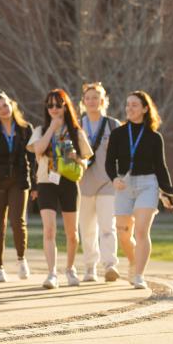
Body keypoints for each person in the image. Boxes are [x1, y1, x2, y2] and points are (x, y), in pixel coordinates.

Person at [105, 90, 173, 290]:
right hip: (124, 185)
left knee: (141, 231)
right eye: (128, 104)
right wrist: (114, 179)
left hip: (148, 184)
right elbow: (110, 162)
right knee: (123, 234)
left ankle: (139, 275)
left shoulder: (154, 137)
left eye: (134, 105)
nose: (129, 108)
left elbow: (161, 167)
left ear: (145, 109)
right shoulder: (118, 133)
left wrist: (169, 191)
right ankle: (133, 261)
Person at [27, 89, 92, 289]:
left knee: (72, 232)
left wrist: (77, 160)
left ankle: (70, 268)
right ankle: (52, 272)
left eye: (58, 104)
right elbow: (37, 150)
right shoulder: (40, 129)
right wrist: (51, 128)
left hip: (68, 182)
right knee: (49, 229)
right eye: (50, 105)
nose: (54, 108)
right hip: (46, 181)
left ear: (65, 106)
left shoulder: (76, 130)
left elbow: (86, 159)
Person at [0, 91, 35, 282]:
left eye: (5, 105)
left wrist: (33, 183)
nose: (3, 110)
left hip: (18, 180)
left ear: (11, 104)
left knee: (17, 221)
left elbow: (32, 158)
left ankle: (21, 259)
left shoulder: (25, 128)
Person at [77, 83, 123, 283]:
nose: (92, 101)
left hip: (107, 183)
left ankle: (110, 264)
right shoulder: (77, 125)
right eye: (88, 98)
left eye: (96, 97)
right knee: (86, 229)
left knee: (107, 226)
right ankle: (90, 267)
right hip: (83, 183)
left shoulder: (113, 125)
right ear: (83, 102)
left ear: (103, 101)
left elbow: (123, 155)